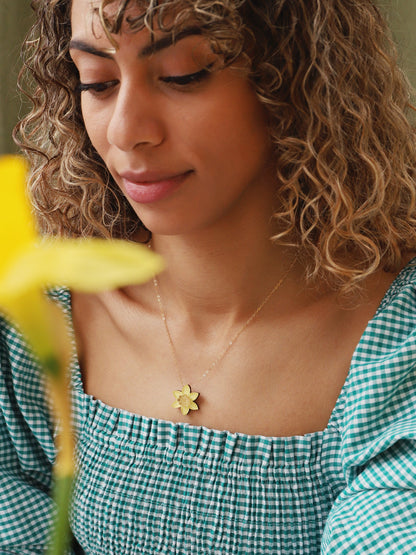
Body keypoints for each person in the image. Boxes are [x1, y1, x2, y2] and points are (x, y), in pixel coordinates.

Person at [2, 0, 416, 552]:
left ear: (295, 77)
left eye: (182, 75)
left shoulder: (397, 353)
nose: (127, 131)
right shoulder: (39, 321)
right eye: (98, 82)